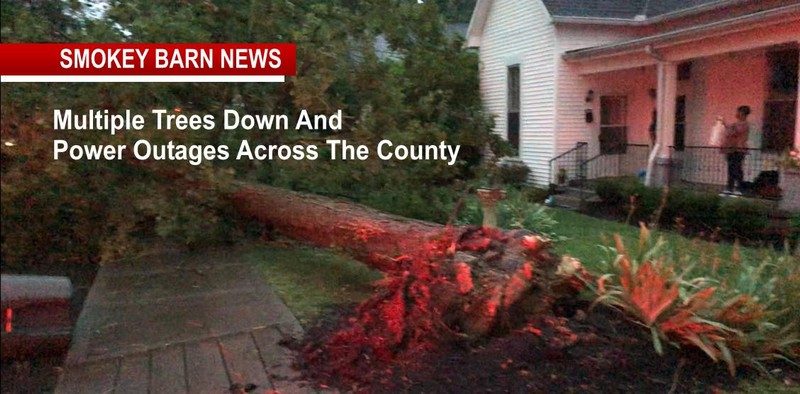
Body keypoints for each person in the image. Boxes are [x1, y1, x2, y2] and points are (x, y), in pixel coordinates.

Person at [720, 105, 751, 196]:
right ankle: (729, 188)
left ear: (743, 113)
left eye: (738, 112)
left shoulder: (745, 124)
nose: (736, 114)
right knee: (731, 168)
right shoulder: (735, 124)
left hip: (739, 149)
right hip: (731, 148)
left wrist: (726, 124)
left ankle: (739, 189)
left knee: (737, 169)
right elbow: (730, 131)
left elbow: (736, 132)